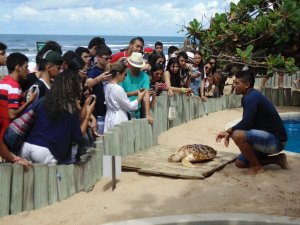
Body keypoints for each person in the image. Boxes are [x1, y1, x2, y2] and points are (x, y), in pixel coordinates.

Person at [216, 70, 289, 175]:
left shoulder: (252, 97)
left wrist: (228, 131)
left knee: (237, 135)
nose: (234, 85)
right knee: (240, 163)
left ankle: (256, 167)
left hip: (276, 141)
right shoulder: (248, 96)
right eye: (234, 82)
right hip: (266, 138)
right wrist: (229, 133)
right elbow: (247, 123)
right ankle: (278, 159)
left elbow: (246, 124)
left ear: (247, 85)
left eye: (237, 83)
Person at [20, 70, 95, 164]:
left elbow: (27, 115)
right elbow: (77, 136)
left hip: (27, 146)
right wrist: (88, 114)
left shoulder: (44, 100)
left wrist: (85, 107)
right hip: (46, 151)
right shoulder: (70, 107)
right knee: (50, 178)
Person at [0, 53, 36, 168]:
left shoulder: (4, 82)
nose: (28, 70)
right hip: (6, 134)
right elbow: (12, 114)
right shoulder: (15, 87)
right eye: (26, 67)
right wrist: (30, 102)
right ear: (18, 67)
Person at [104, 62, 146, 132]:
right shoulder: (118, 88)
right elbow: (130, 106)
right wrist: (139, 98)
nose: (126, 77)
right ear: (118, 74)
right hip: (119, 118)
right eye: (125, 74)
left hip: (109, 117)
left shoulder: (107, 86)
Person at [120, 52, 153, 124]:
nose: (135, 68)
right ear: (130, 64)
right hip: (123, 110)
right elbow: (119, 94)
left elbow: (146, 94)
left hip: (137, 110)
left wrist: (147, 114)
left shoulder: (145, 77)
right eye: (134, 66)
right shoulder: (123, 74)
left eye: (137, 67)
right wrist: (134, 93)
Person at [85, 45, 112, 134]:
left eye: (110, 58)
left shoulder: (107, 70)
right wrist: (99, 79)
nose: (109, 61)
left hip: (108, 111)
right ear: (98, 58)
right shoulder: (93, 71)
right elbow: (88, 84)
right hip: (98, 113)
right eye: (106, 58)